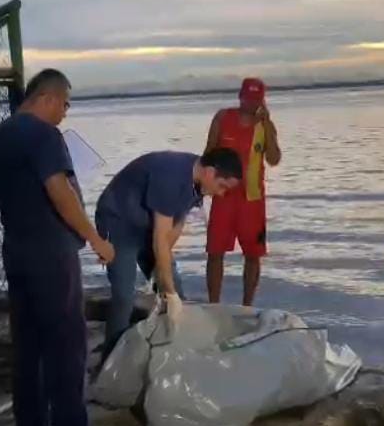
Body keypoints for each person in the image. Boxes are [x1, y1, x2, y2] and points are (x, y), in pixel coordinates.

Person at [0, 68, 115, 426]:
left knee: (28, 349)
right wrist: (96, 238)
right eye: (65, 104)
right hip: (53, 256)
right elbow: (59, 192)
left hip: (17, 253)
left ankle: (32, 424)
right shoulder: (44, 135)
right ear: (48, 98)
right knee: (67, 351)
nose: (65, 113)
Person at [95, 148, 242, 358]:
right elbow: (160, 240)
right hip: (118, 223)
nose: (221, 194)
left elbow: (175, 227)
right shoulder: (170, 177)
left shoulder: (197, 183)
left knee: (175, 290)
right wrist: (167, 290)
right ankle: (110, 357)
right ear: (210, 172)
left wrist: (164, 280)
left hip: (149, 227)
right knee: (124, 296)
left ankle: (173, 347)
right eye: (222, 186)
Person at [205, 77, 282, 306]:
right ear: (240, 96)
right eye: (248, 98)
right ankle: (213, 305)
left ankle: (247, 305)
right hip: (223, 196)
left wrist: (267, 124)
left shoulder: (264, 125)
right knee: (215, 251)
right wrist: (205, 186)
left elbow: (274, 159)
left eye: (256, 100)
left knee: (253, 255)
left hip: (252, 199)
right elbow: (208, 153)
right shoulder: (222, 118)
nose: (251, 104)